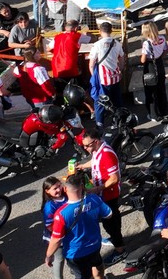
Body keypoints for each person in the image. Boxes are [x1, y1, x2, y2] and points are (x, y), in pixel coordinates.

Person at [74, 126, 125, 265]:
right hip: (102, 194)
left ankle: (120, 250)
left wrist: (97, 189)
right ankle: (116, 239)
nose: (85, 148)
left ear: (96, 141)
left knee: (111, 223)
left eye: (87, 146)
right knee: (108, 221)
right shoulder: (97, 150)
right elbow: (95, 161)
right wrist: (82, 166)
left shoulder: (107, 154)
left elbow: (114, 178)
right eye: (84, 146)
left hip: (109, 195)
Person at [47, 173, 110, 279]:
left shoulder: (61, 213)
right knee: (97, 265)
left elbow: (56, 239)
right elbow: (108, 215)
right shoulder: (94, 199)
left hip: (76, 253)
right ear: (82, 186)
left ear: (65, 189)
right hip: (95, 246)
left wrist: (48, 255)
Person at [88, 21, 125, 127]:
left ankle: (100, 124)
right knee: (117, 101)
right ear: (111, 31)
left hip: (103, 79)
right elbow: (121, 59)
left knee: (100, 102)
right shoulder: (117, 43)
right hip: (115, 77)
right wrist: (120, 71)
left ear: (100, 31)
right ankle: (118, 121)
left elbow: (91, 64)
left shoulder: (97, 45)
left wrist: (94, 76)